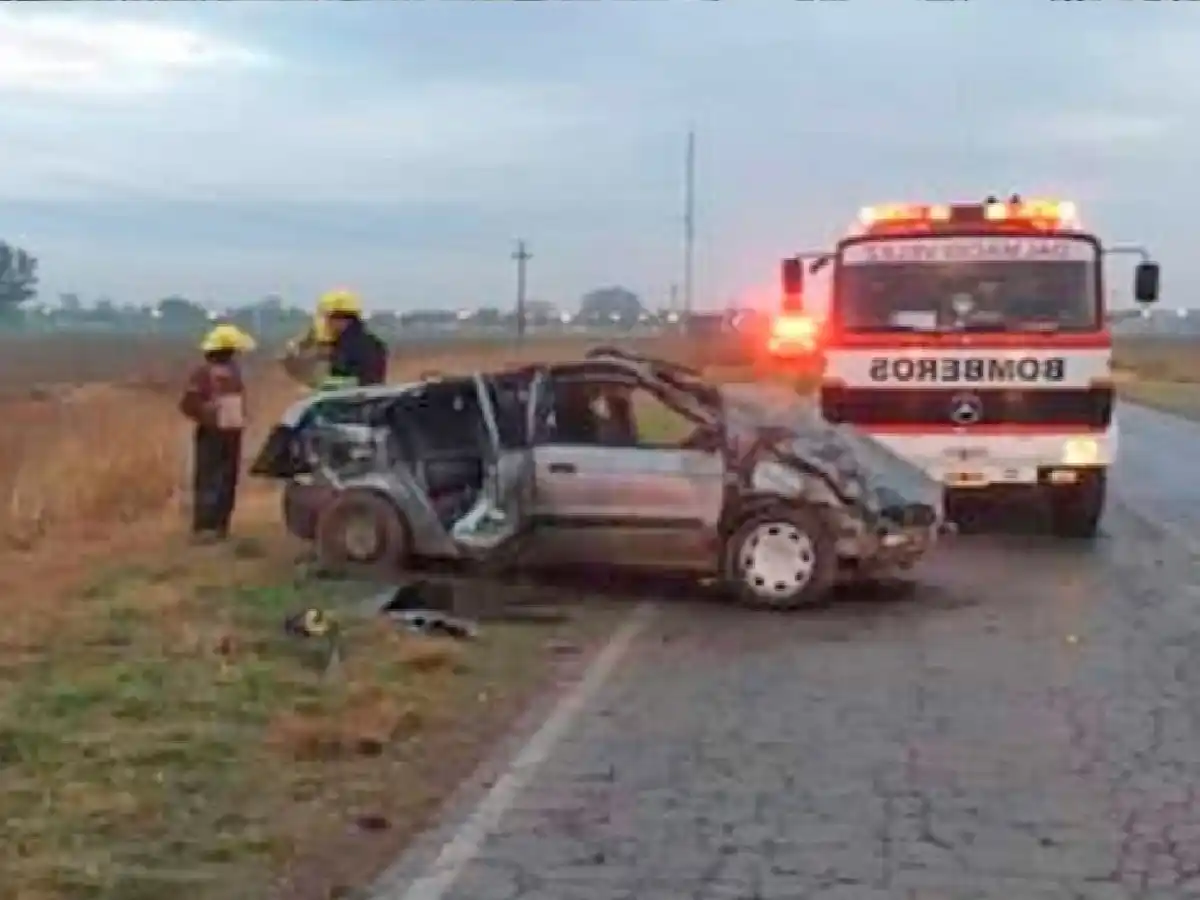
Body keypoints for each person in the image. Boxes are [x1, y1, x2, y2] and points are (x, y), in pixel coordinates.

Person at [179, 323, 255, 542]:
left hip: (218, 432)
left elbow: (187, 404)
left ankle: (211, 527)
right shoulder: (218, 374)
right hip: (224, 433)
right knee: (219, 478)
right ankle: (213, 526)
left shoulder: (208, 373)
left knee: (213, 477)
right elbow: (189, 403)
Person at [323, 288, 388, 387]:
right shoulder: (374, 342)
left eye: (331, 318)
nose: (328, 323)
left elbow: (342, 380)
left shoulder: (346, 345)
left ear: (344, 320)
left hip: (353, 398)